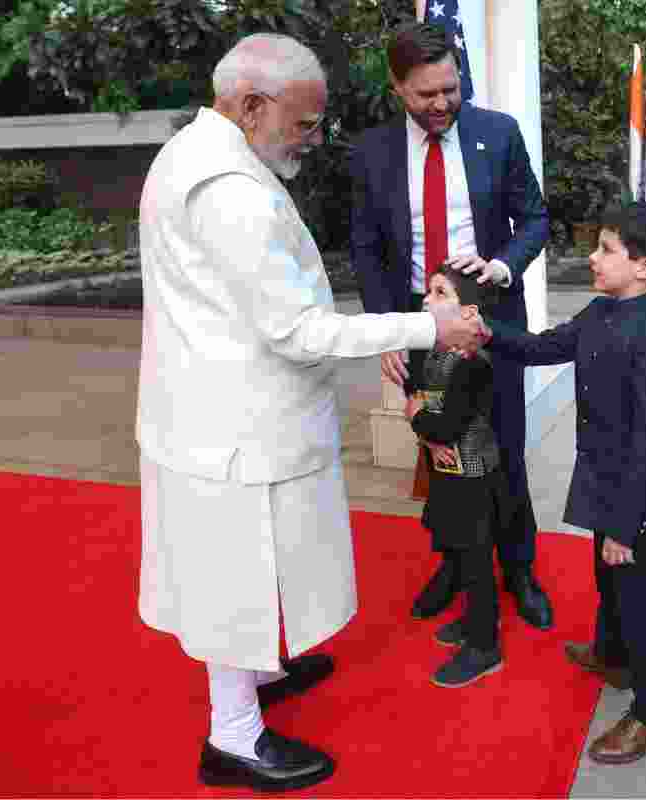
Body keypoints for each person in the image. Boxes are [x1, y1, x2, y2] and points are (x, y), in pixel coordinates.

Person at [135, 33, 489, 791]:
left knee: (243, 567)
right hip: (236, 425)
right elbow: (298, 331)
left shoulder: (192, 152)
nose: (313, 137)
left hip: (209, 409)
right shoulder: (229, 191)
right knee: (232, 580)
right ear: (251, 105)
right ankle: (234, 739)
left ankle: (259, 674)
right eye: (302, 122)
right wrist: (427, 327)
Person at [348, 21, 553, 631]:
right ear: (397, 87)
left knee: (504, 447)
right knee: (440, 448)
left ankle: (519, 568)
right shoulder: (372, 152)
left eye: (451, 89)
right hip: (419, 326)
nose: (442, 104)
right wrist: (388, 330)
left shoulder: (498, 133)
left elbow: (535, 220)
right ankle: (458, 565)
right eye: (426, 94)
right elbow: (366, 248)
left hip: (492, 323)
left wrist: (502, 266)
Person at [484, 202, 646, 765]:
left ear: (645, 267)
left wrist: (624, 524)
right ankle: (612, 657)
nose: (592, 257)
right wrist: (485, 332)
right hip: (605, 487)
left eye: (606, 249)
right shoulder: (601, 312)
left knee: (642, 604)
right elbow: (542, 347)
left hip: (640, 503)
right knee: (609, 584)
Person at [402, 266, 510, 688]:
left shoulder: (472, 363)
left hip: (473, 476)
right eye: (428, 290)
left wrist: (417, 418)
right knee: (462, 552)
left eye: (439, 292)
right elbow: (420, 396)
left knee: (477, 558)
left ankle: (485, 645)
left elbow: (446, 426)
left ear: (468, 313)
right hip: (448, 471)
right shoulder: (433, 349)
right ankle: (473, 620)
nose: (426, 298)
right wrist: (426, 430)